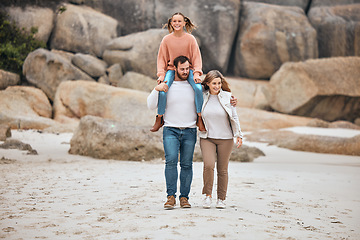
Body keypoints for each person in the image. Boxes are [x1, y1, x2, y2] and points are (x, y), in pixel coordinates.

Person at [150, 12, 205, 132]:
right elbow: (161, 59)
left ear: (184, 22)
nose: (177, 23)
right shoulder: (166, 40)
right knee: (163, 91)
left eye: (179, 21)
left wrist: (196, 73)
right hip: (171, 70)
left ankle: (200, 118)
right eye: (174, 21)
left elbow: (196, 57)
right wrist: (161, 75)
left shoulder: (190, 39)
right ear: (171, 23)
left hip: (188, 69)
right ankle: (159, 118)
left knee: (198, 89)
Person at [199, 70, 243, 209]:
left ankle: (221, 199)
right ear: (207, 83)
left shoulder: (228, 97)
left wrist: (239, 135)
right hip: (207, 138)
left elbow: (234, 117)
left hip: (226, 139)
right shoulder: (201, 96)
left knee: (222, 170)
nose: (217, 86)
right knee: (209, 165)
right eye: (214, 83)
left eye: (219, 83)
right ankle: (207, 196)